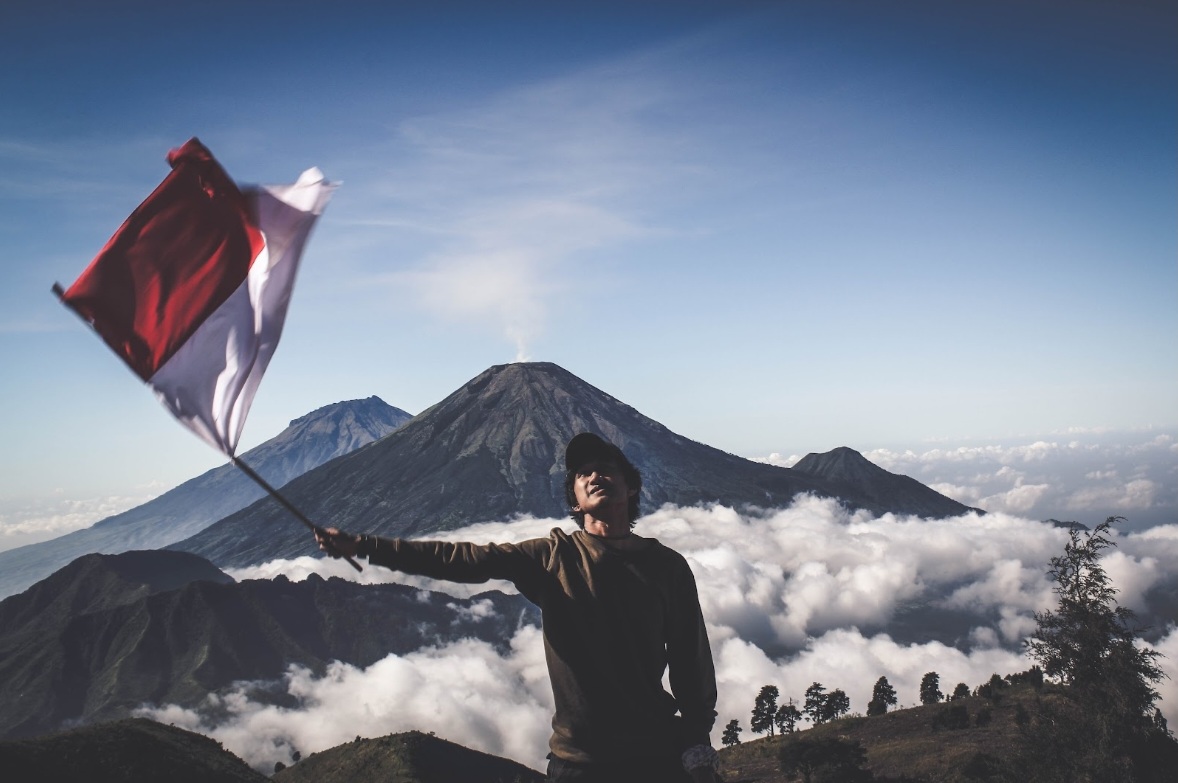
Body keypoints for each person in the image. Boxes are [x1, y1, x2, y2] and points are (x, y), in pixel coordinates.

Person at [316, 432, 722, 783]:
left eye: (605, 468)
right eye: (583, 474)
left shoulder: (667, 566)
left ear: (631, 487)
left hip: (655, 755)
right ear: (575, 502)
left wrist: (697, 745)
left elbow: (690, 659)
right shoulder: (553, 556)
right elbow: (463, 558)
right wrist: (367, 546)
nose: (595, 475)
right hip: (580, 763)